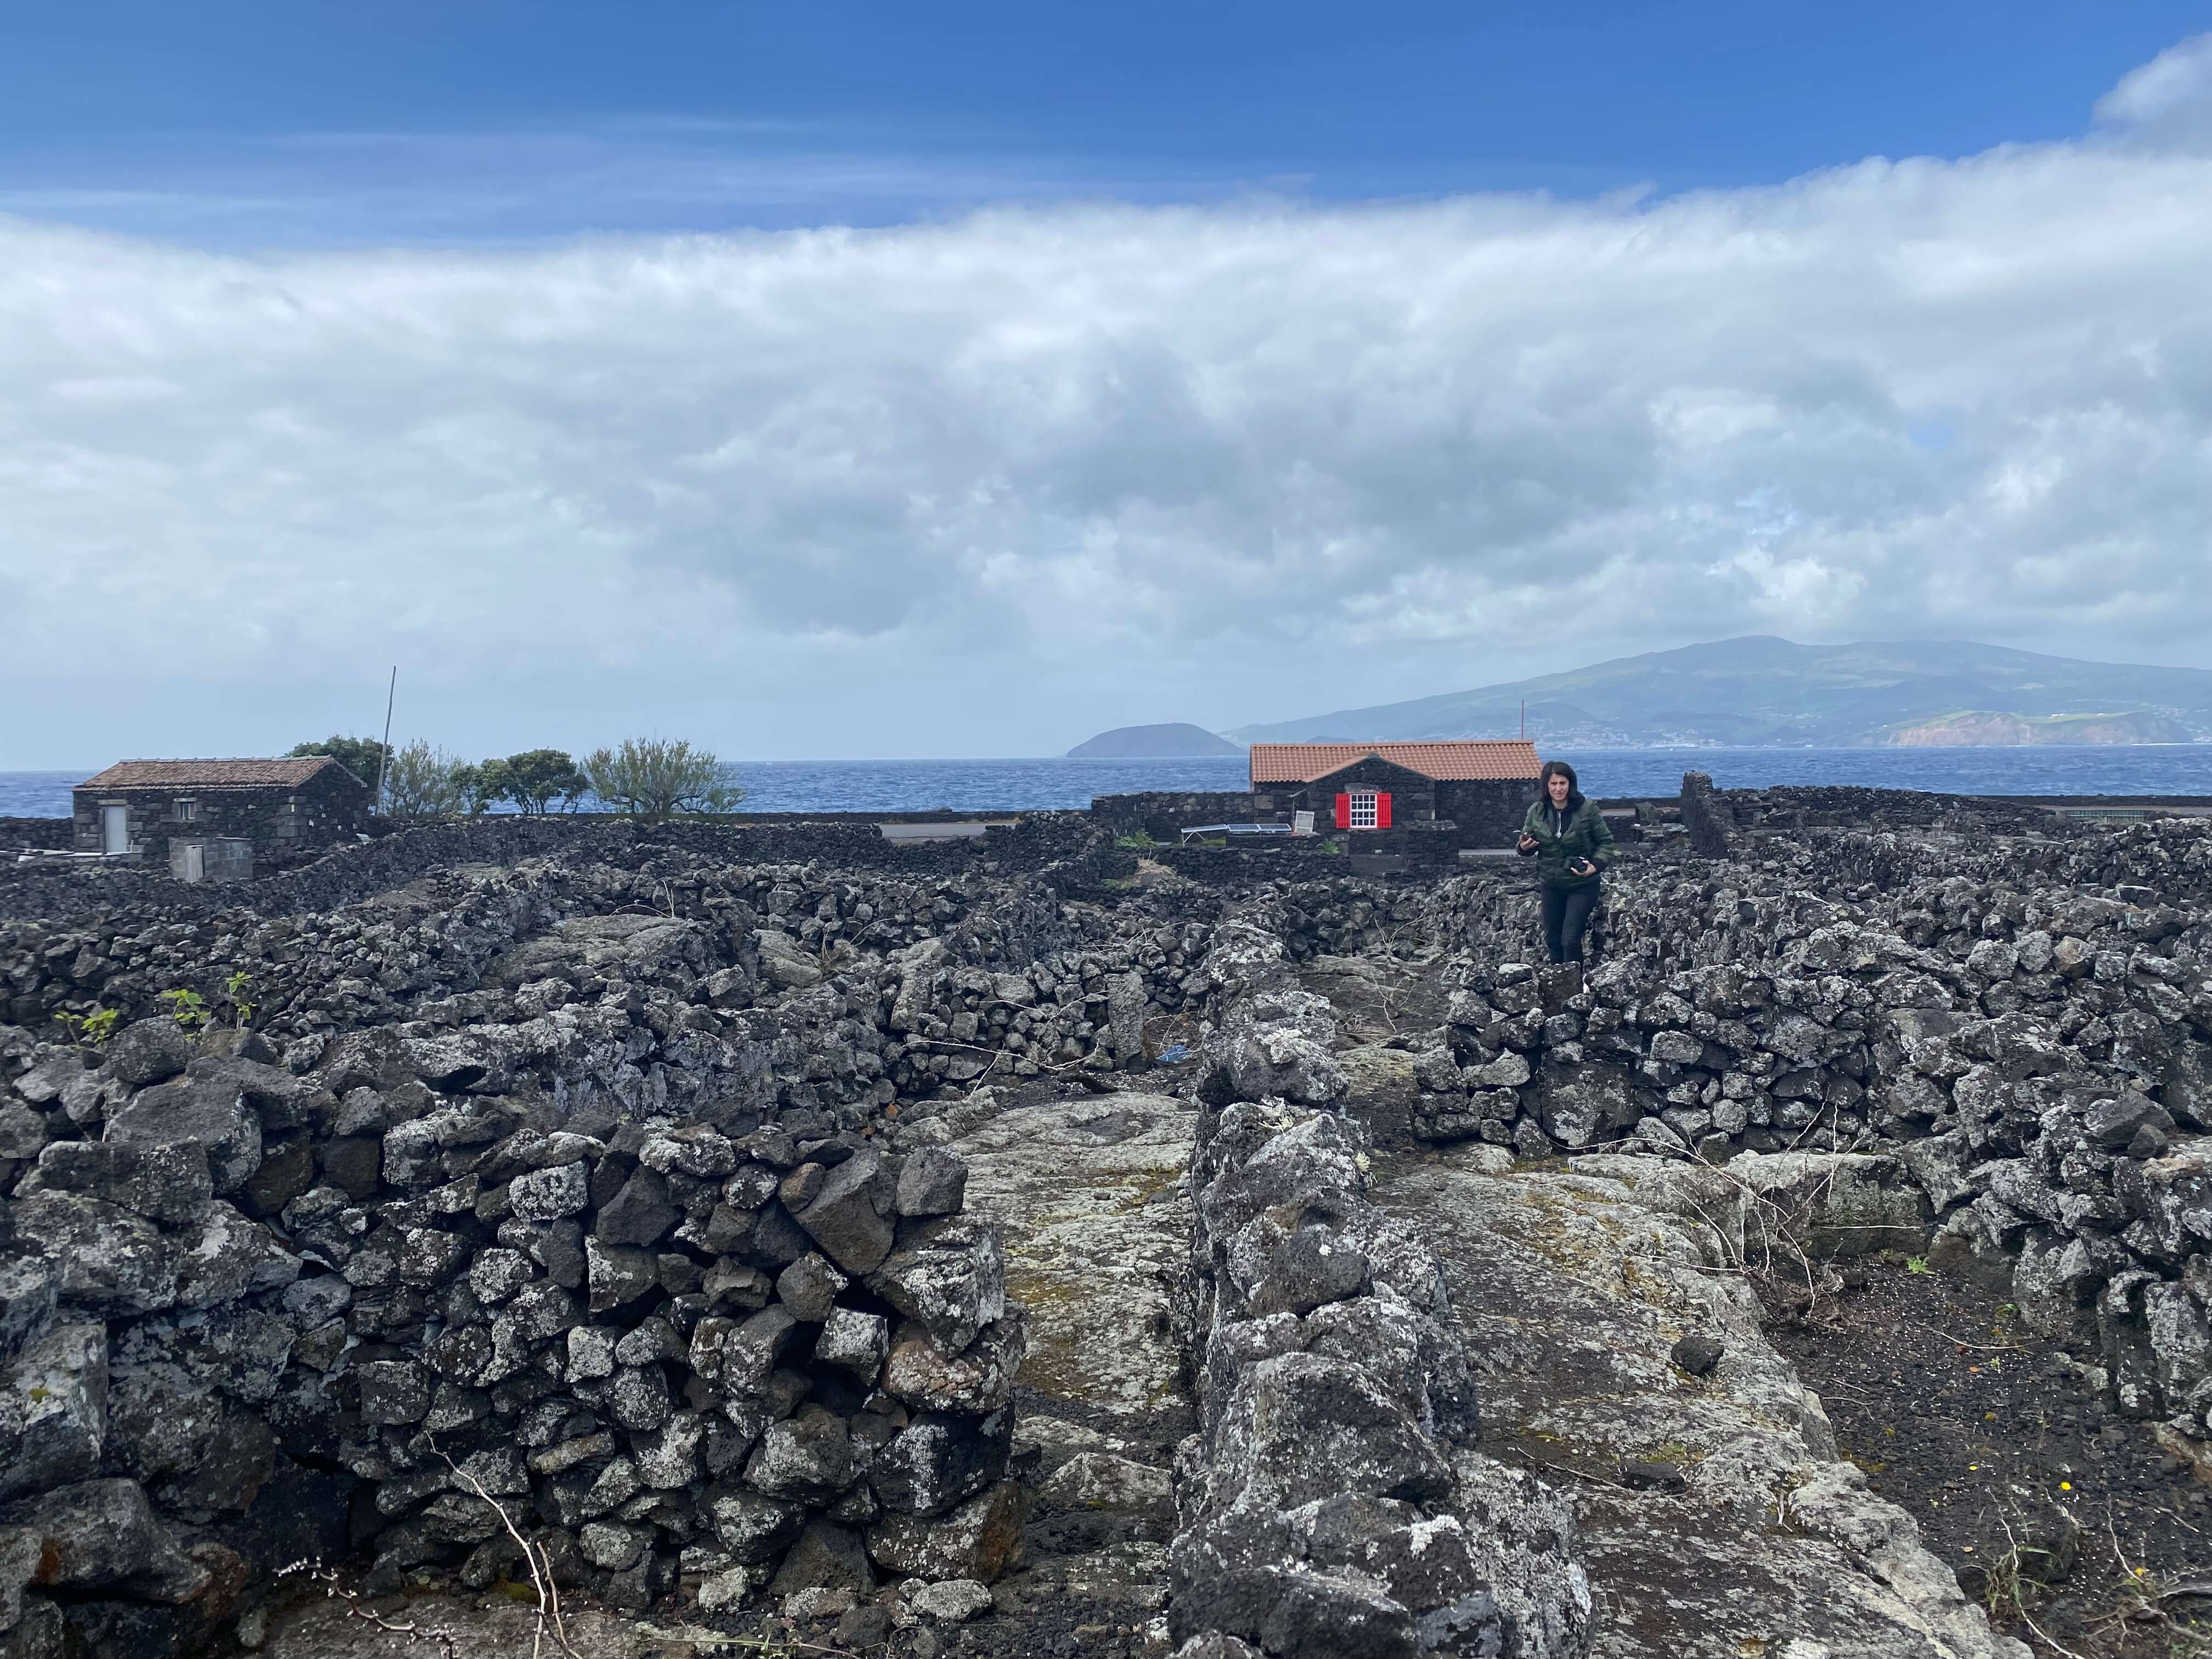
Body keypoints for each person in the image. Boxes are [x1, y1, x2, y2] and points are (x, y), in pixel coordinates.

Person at [1516, 760, 1616, 964]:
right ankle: (1559, 990)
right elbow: (1527, 843)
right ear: (1546, 786)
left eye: (1563, 783)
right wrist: (1524, 848)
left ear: (1571, 784)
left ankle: (1576, 990)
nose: (1558, 789)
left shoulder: (1588, 809)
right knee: (1553, 941)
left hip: (1582, 885)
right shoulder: (1537, 811)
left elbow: (1606, 843)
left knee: (1570, 940)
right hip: (1551, 884)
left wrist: (1594, 866)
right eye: (1554, 784)